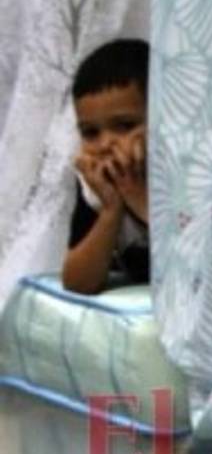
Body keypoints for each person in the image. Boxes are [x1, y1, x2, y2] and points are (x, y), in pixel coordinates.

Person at [61, 39, 151, 294]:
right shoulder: (95, 186)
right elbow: (78, 283)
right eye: (90, 132)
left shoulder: (180, 172)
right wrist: (111, 210)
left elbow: (201, 266)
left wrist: (140, 200)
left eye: (125, 126)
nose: (105, 144)